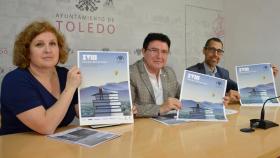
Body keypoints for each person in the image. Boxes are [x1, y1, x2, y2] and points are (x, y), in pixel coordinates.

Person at [0, 20, 81, 135]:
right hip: (19, 148)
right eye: (39, 44)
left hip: (58, 146)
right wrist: (70, 88)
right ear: (27, 52)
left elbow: (85, 115)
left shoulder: (64, 75)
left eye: (53, 44)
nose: (48, 50)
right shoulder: (14, 81)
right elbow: (46, 127)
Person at [187, 37, 279, 103]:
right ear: (204, 50)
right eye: (212, 50)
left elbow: (243, 90)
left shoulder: (223, 73)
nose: (215, 54)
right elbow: (190, 99)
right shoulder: (191, 72)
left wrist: (268, 78)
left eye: (219, 51)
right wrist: (225, 97)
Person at [130, 33, 181, 117]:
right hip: (141, 126)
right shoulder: (131, 73)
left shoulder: (169, 72)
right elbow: (128, 108)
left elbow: (182, 97)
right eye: (154, 50)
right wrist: (160, 109)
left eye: (164, 52)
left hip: (167, 126)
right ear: (143, 51)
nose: (159, 56)